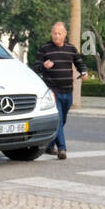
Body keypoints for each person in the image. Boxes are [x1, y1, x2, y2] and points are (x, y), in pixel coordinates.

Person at [35, 22, 86, 159]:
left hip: (68, 91)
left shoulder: (71, 49)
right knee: (58, 119)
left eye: (59, 33)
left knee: (62, 121)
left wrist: (84, 71)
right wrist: (44, 65)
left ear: (65, 34)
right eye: (54, 33)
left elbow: (79, 62)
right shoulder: (45, 49)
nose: (57, 36)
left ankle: (50, 145)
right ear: (51, 34)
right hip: (52, 90)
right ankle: (62, 149)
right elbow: (36, 67)